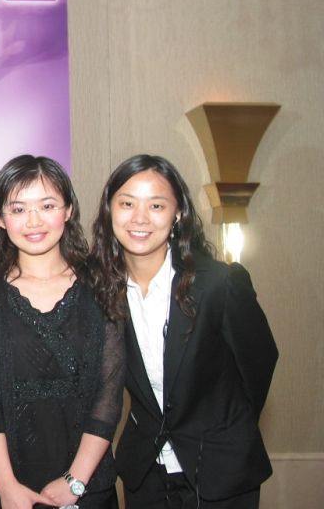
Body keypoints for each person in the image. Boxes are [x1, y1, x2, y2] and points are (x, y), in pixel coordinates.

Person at [88, 154, 278, 508]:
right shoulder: (99, 289)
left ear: (177, 215)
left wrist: (225, 430)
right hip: (145, 473)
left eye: (156, 205)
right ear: (109, 209)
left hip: (221, 473)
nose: (140, 218)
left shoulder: (219, 284)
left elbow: (259, 365)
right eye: (127, 203)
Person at [0, 155, 124, 509]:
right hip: (5, 487)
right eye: (18, 209)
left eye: (47, 206)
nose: (33, 221)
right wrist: (7, 487)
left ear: (68, 210)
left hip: (88, 485)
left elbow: (109, 394)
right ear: (0, 219)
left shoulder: (101, 287)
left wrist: (75, 481)